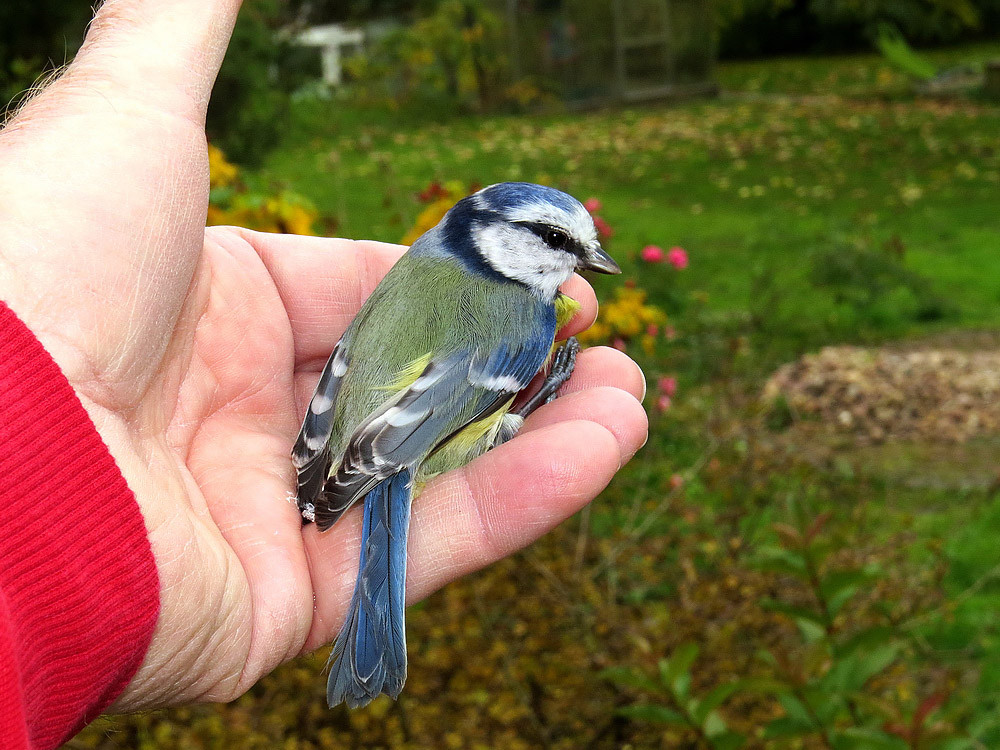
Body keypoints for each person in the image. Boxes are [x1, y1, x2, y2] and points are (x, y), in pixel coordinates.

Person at [0, 1, 648, 748]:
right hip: (409, 455)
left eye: (581, 246)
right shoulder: (520, 320)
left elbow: (346, 368)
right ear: (488, 235)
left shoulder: (424, 270)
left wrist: (321, 467)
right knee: (509, 416)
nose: (580, 262)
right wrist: (524, 402)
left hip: (345, 429)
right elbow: (434, 410)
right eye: (554, 242)